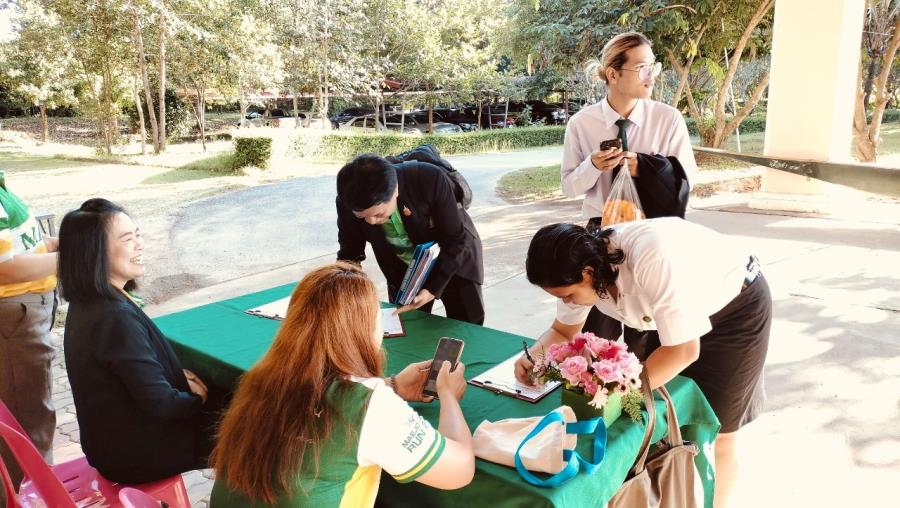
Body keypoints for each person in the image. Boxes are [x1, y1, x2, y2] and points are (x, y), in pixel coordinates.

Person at [514, 219, 771, 508]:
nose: (569, 303)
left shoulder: (651, 259)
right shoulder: (577, 269)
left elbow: (683, 350)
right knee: (661, 419)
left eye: (569, 295)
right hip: (667, 313)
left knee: (719, 431)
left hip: (734, 309)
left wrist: (619, 390)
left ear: (587, 272)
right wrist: (533, 356)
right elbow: (563, 331)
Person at [209, 262, 474, 507]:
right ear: (365, 331)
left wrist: (392, 386)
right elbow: (459, 471)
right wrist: (447, 395)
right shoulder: (369, 405)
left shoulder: (263, 378)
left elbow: (319, 395)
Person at [58, 198, 213, 484]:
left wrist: (176, 380)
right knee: (254, 421)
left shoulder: (89, 302)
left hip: (116, 445)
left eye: (137, 235)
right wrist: (198, 399)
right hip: (139, 454)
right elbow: (162, 405)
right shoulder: (113, 316)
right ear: (94, 252)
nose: (140, 245)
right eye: (128, 239)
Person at [561, 31, 698, 346]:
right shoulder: (582, 123)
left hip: (652, 235)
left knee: (649, 331)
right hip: (600, 235)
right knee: (597, 333)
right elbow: (568, 187)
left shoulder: (667, 119)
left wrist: (647, 168)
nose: (651, 76)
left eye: (653, 66)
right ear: (613, 74)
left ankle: (646, 376)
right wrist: (592, 165)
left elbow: (688, 177)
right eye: (642, 68)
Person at [336, 153, 485, 325]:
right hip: (406, 273)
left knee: (466, 326)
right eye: (361, 216)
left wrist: (431, 289)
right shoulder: (347, 201)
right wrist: (342, 290)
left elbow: (455, 240)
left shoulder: (429, 178)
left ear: (395, 190)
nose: (371, 221)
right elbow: (350, 252)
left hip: (454, 260)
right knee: (408, 328)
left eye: (379, 214)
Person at [0, 170, 57, 501]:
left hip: (26, 311)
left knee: (32, 412)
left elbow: (29, 244)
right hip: (15, 317)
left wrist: (63, 244)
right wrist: (74, 259)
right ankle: (30, 498)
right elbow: (4, 268)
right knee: (28, 423)